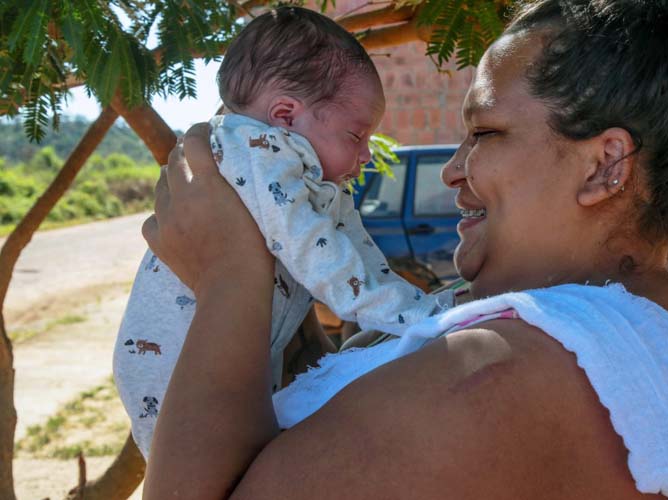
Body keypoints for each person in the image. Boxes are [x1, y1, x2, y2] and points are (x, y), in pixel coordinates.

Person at [141, 0, 668, 497]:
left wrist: (231, 275)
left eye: (484, 135)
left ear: (604, 165)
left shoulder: (501, 377)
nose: (452, 171)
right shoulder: (656, 320)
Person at [113, 6, 451, 459]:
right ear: (286, 116)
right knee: (202, 466)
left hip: (238, 359)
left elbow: (359, 257)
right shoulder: (251, 149)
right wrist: (419, 319)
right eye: (357, 136)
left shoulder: (313, 178)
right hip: (171, 370)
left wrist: (417, 309)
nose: (368, 154)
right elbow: (316, 254)